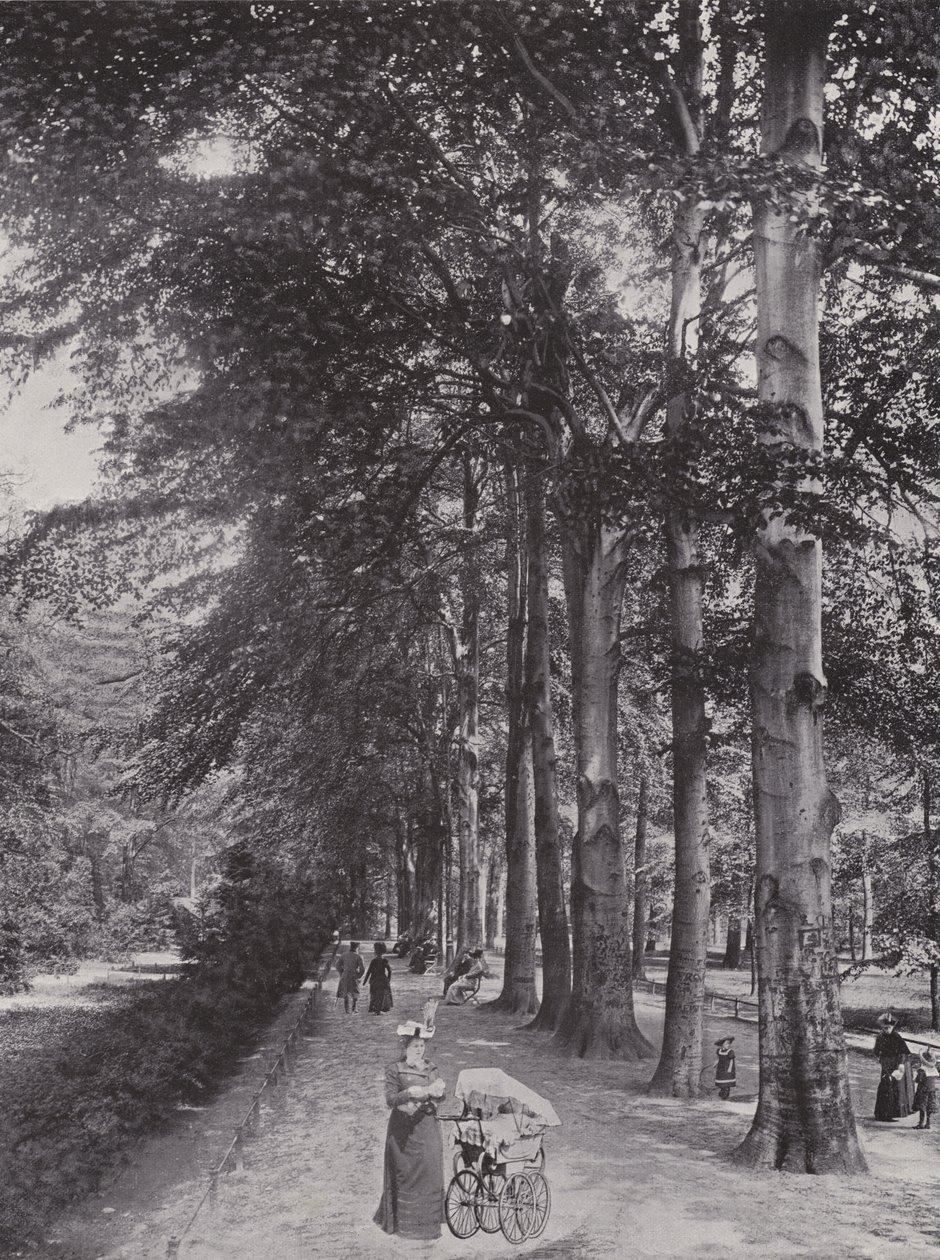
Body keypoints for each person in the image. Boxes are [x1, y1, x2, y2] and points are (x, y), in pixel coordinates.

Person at [374, 1002, 446, 1240]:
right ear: (405, 1047)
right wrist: (410, 1092)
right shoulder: (395, 1069)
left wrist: (439, 1090)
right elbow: (390, 1099)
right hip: (403, 1133)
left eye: (422, 1045)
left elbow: (440, 1095)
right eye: (414, 1046)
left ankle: (429, 1226)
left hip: (427, 1128)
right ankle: (405, 1226)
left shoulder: (431, 1066)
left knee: (430, 1171)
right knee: (405, 1175)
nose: (419, 1050)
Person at [874, 1011, 913, 1121]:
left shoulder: (896, 1037)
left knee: (897, 1088)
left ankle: (895, 1113)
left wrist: (900, 1064)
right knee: (885, 1086)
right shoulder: (880, 1037)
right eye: (885, 1028)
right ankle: (882, 1113)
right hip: (886, 1064)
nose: (887, 1030)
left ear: (892, 1027)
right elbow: (876, 1051)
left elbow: (904, 1052)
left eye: (889, 1028)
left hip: (896, 1064)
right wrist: (880, 1058)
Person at [335, 941, 365, 1014]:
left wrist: (342, 972)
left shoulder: (344, 955)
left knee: (346, 992)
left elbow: (337, 965)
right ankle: (354, 1008)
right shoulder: (358, 956)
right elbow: (362, 968)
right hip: (354, 975)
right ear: (357, 947)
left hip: (345, 975)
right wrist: (359, 975)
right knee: (355, 991)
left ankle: (347, 1010)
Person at [364, 941, 393, 1015]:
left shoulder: (374, 961)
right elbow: (389, 971)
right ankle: (379, 1010)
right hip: (382, 979)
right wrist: (388, 980)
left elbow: (369, 971)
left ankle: (375, 1010)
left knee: (374, 994)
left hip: (374, 979)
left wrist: (365, 981)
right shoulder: (384, 960)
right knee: (380, 995)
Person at [913, 1048, 939, 1130]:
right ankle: (928, 1123)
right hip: (932, 1090)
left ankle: (921, 1123)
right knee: (929, 1106)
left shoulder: (922, 1070)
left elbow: (918, 1080)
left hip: (923, 1090)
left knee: (922, 1106)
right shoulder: (934, 1070)